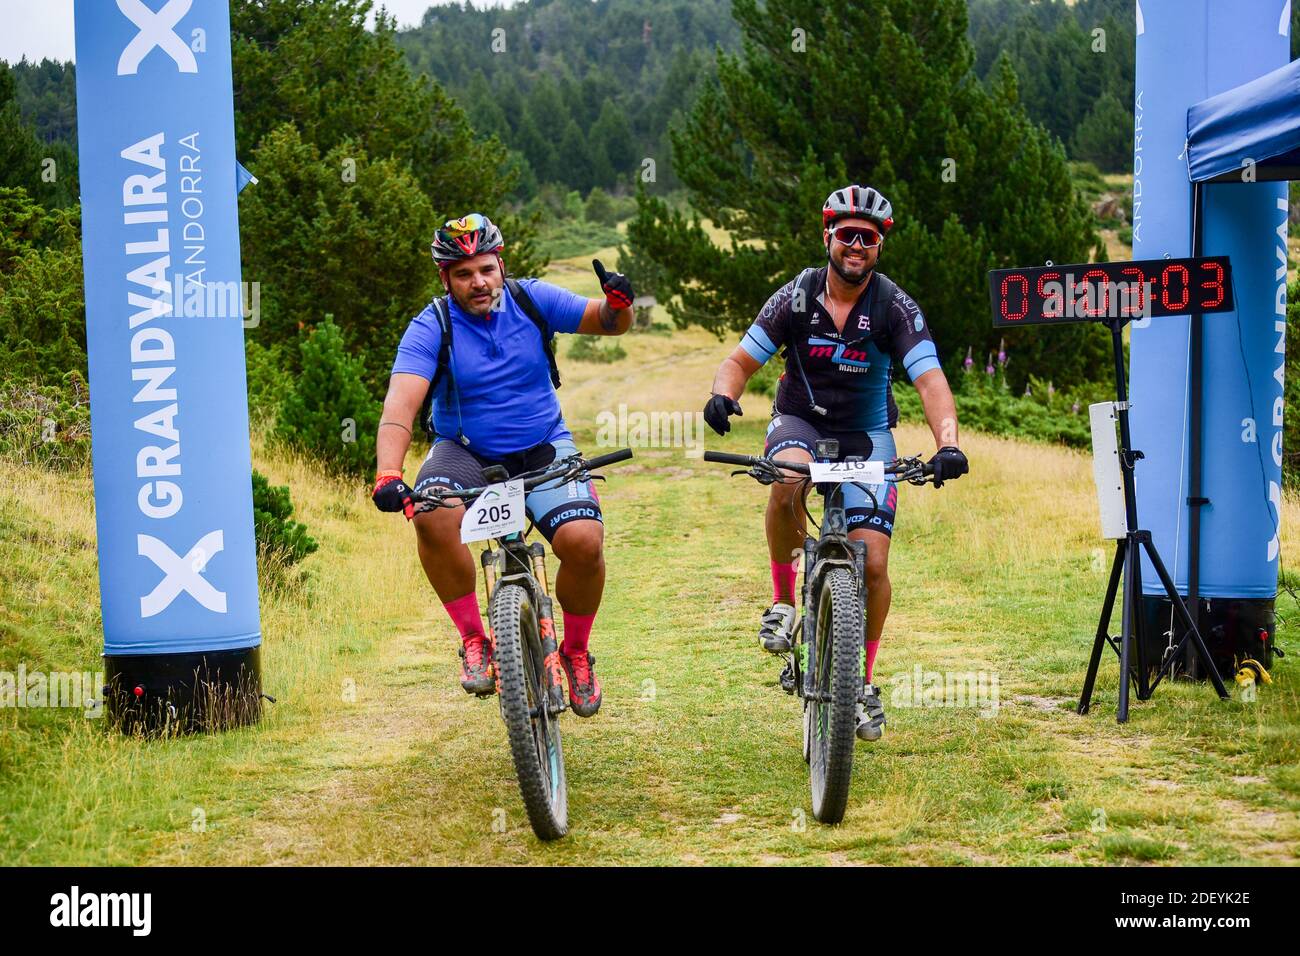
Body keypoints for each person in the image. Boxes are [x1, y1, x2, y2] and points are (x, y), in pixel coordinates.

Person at [701, 185, 969, 741]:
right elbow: (739, 359)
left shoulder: (895, 306)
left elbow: (932, 380)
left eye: (867, 238)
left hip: (867, 436)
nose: (855, 245)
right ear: (828, 237)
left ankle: (862, 682)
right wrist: (724, 394)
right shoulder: (795, 296)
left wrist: (947, 443)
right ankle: (781, 600)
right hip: (801, 422)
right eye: (846, 234)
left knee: (872, 566)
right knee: (789, 479)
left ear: (879, 246)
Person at [371, 213, 634, 716]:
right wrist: (389, 473)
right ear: (445, 279)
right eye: (464, 274)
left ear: (501, 266)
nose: (479, 282)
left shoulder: (532, 299)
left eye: (486, 269)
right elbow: (399, 407)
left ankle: (575, 652)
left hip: (542, 445)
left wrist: (621, 305)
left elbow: (607, 322)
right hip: (466, 452)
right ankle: (475, 639)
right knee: (430, 516)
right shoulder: (433, 325)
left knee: (583, 541)